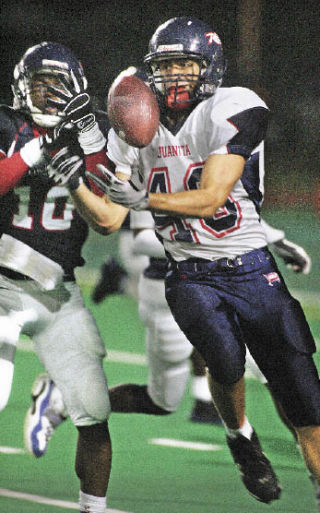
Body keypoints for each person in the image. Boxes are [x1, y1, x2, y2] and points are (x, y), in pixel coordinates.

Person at [82, 16, 320, 505]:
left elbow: (211, 198)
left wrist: (141, 199)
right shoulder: (134, 125)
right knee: (225, 359)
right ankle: (241, 440)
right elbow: (107, 220)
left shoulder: (234, 106)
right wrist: (75, 177)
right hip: (189, 272)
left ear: (208, 66)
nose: (173, 77)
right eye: (165, 67)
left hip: (252, 264)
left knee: (303, 397)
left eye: (185, 65)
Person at [0, 41, 118, 513]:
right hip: (3, 284)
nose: (49, 95)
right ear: (20, 89)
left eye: (59, 86)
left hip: (58, 291)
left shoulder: (93, 132)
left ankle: (95, 508)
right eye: (39, 85)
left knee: (94, 412)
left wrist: (86, 149)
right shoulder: (6, 125)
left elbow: (110, 196)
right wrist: (36, 148)